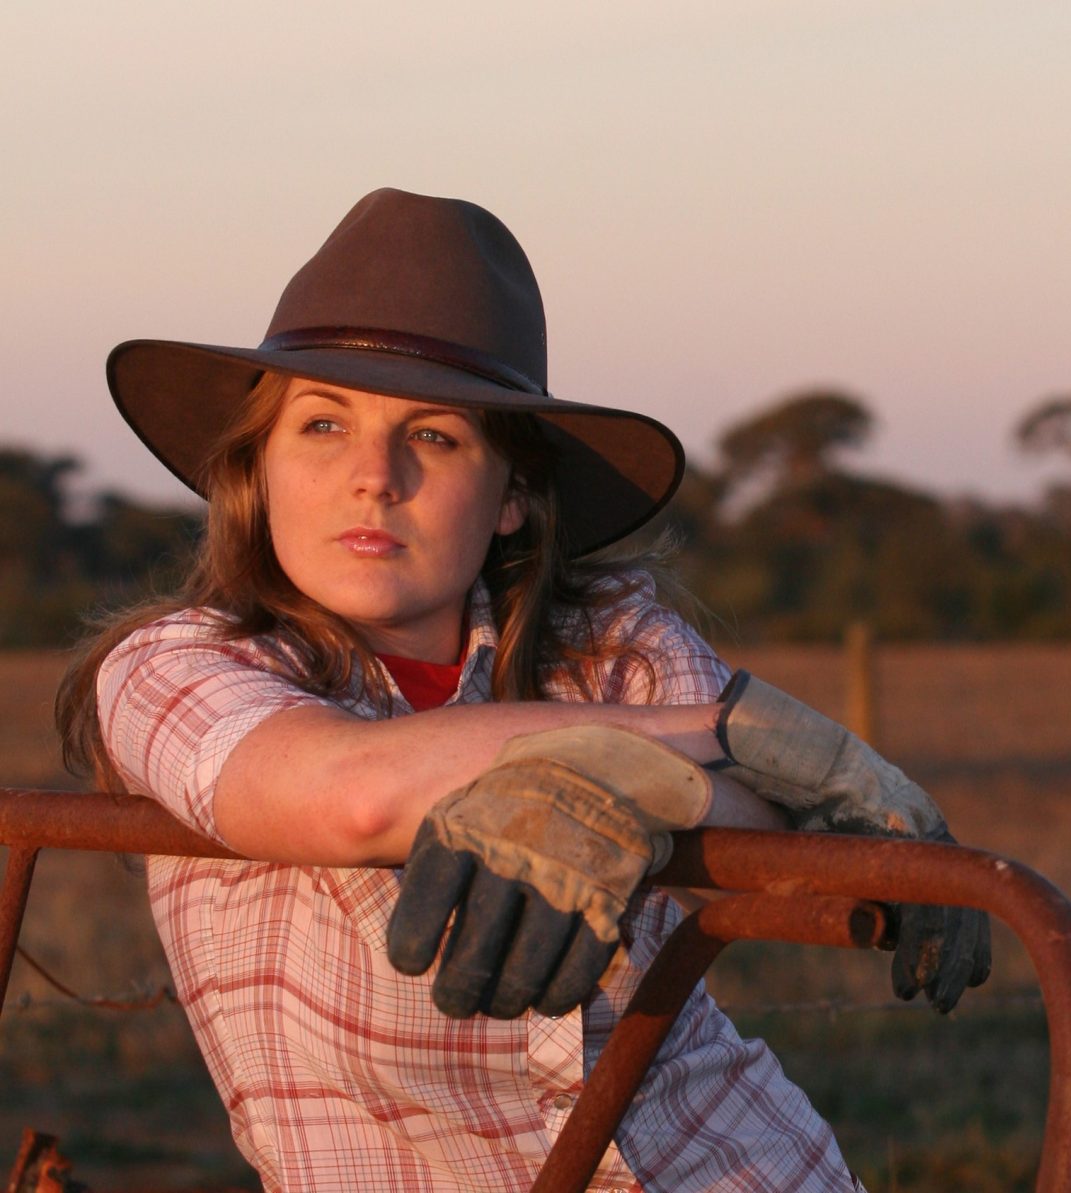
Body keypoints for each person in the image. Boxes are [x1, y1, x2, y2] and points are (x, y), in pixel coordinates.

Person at [56, 188, 988, 1192]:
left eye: (435, 435)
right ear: (259, 469)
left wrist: (637, 785)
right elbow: (347, 792)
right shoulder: (176, 666)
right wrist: (689, 743)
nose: (375, 475)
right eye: (323, 423)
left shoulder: (610, 641)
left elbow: (769, 834)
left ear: (510, 497)